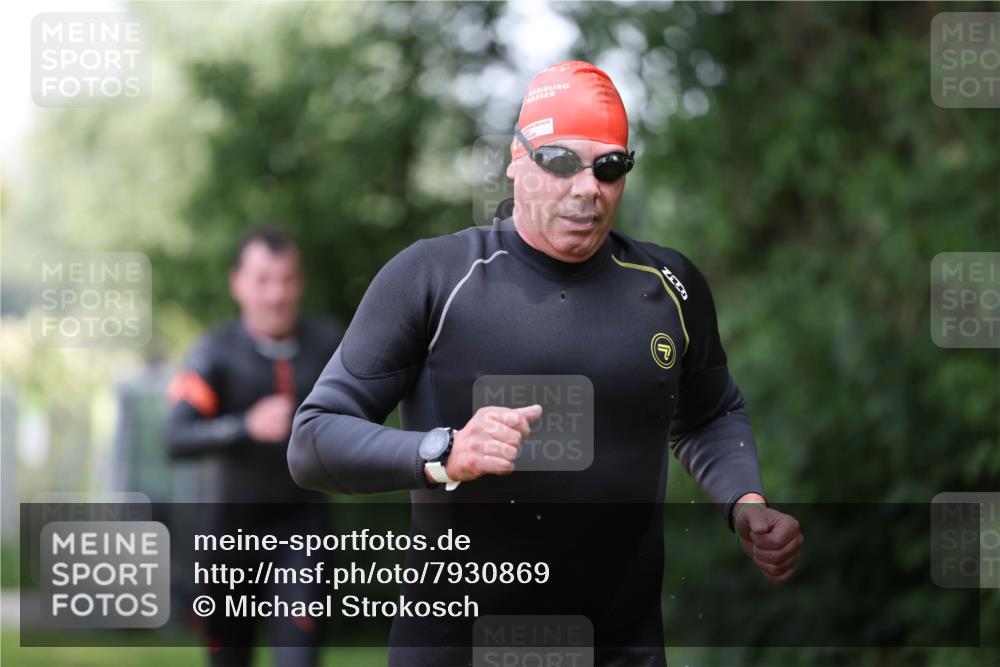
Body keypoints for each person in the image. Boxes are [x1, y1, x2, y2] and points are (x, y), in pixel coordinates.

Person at [289, 61, 803, 666]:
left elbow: (711, 412)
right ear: (517, 158)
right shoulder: (435, 277)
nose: (587, 188)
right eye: (561, 162)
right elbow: (312, 438)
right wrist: (441, 453)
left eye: (609, 167)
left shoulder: (668, 287)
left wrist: (745, 503)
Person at [166, 227, 342, 667]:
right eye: (263, 280)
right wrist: (245, 426)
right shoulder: (215, 352)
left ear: (299, 283)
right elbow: (176, 437)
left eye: (286, 279)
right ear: (238, 284)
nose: (276, 294)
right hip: (228, 535)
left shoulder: (328, 345)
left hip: (302, 531)